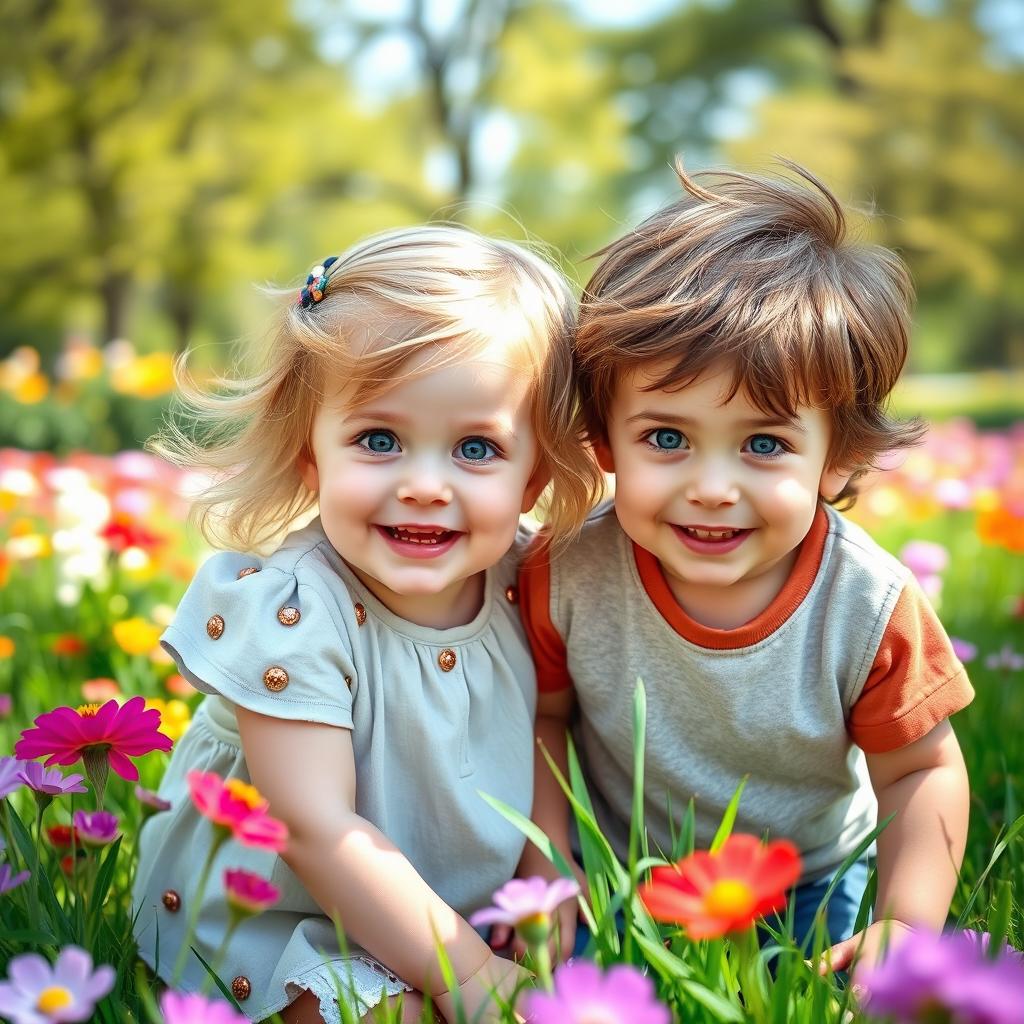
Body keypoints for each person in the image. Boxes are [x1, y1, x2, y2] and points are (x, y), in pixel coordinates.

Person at [132, 225, 601, 1024]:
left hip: (449, 910)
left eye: (477, 448)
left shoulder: (529, 577)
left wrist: (544, 869)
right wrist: (472, 978)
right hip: (277, 911)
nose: (424, 484)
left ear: (536, 475)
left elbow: (543, 725)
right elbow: (313, 828)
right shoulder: (292, 610)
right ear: (311, 454)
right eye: (378, 440)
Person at [514, 162, 974, 973]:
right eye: (666, 438)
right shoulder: (569, 573)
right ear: (604, 440)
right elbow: (543, 724)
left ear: (839, 458)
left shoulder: (867, 604)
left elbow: (922, 769)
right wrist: (552, 867)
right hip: (625, 879)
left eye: (764, 445)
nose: (713, 488)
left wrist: (905, 927)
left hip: (810, 879)